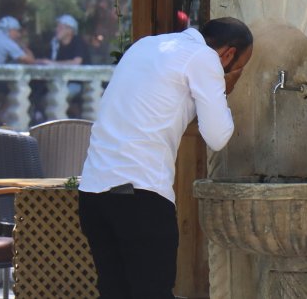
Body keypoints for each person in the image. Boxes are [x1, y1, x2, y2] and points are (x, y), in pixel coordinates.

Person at [78, 18, 253, 299]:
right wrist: (223, 88)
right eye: (240, 67)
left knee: (114, 292)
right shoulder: (205, 57)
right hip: (139, 195)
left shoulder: (146, 45)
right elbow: (217, 136)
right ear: (228, 54)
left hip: (93, 193)